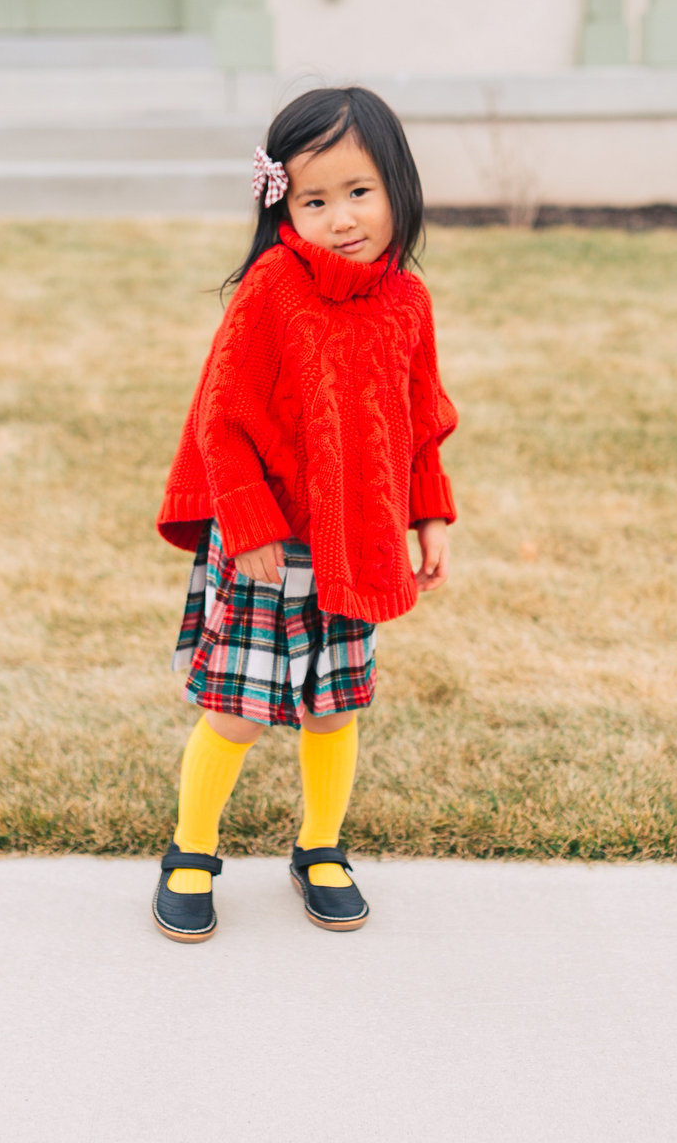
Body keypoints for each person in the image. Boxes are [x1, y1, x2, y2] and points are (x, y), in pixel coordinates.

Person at [153, 86, 457, 942]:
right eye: (313, 199)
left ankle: (319, 847)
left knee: (334, 706)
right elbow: (221, 415)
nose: (340, 217)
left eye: (358, 192)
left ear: (397, 185)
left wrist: (427, 513)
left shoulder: (406, 300)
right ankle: (190, 850)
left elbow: (420, 419)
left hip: (356, 539)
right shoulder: (273, 288)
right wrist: (244, 525)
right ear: (282, 202)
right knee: (239, 710)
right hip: (267, 543)